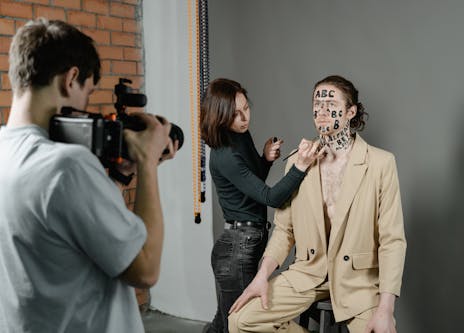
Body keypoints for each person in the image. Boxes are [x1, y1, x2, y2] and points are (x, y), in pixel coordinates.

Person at [0, 19, 177, 332]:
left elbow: (63, 227)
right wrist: (147, 162)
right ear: (71, 79)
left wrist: (121, 179)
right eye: (88, 92)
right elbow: (145, 269)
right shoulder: (67, 166)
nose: (85, 107)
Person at [228, 75, 407, 333]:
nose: (321, 110)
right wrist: (261, 276)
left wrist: (386, 309)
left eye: (330, 102)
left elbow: (392, 240)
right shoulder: (298, 163)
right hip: (307, 274)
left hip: (359, 282)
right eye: (317, 103)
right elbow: (284, 230)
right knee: (240, 321)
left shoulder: (381, 164)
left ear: (350, 112)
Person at [200, 78, 324, 333]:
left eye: (246, 108)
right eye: (235, 114)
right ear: (220, 116)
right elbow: (270, 198)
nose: (244, 118)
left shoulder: (239, 136)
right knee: (237, 323)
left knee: (224, 322)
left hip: (247, 242)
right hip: (237, 249)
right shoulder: (225, 155)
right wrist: (300, 166)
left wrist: (265, 160)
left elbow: (251, 183)